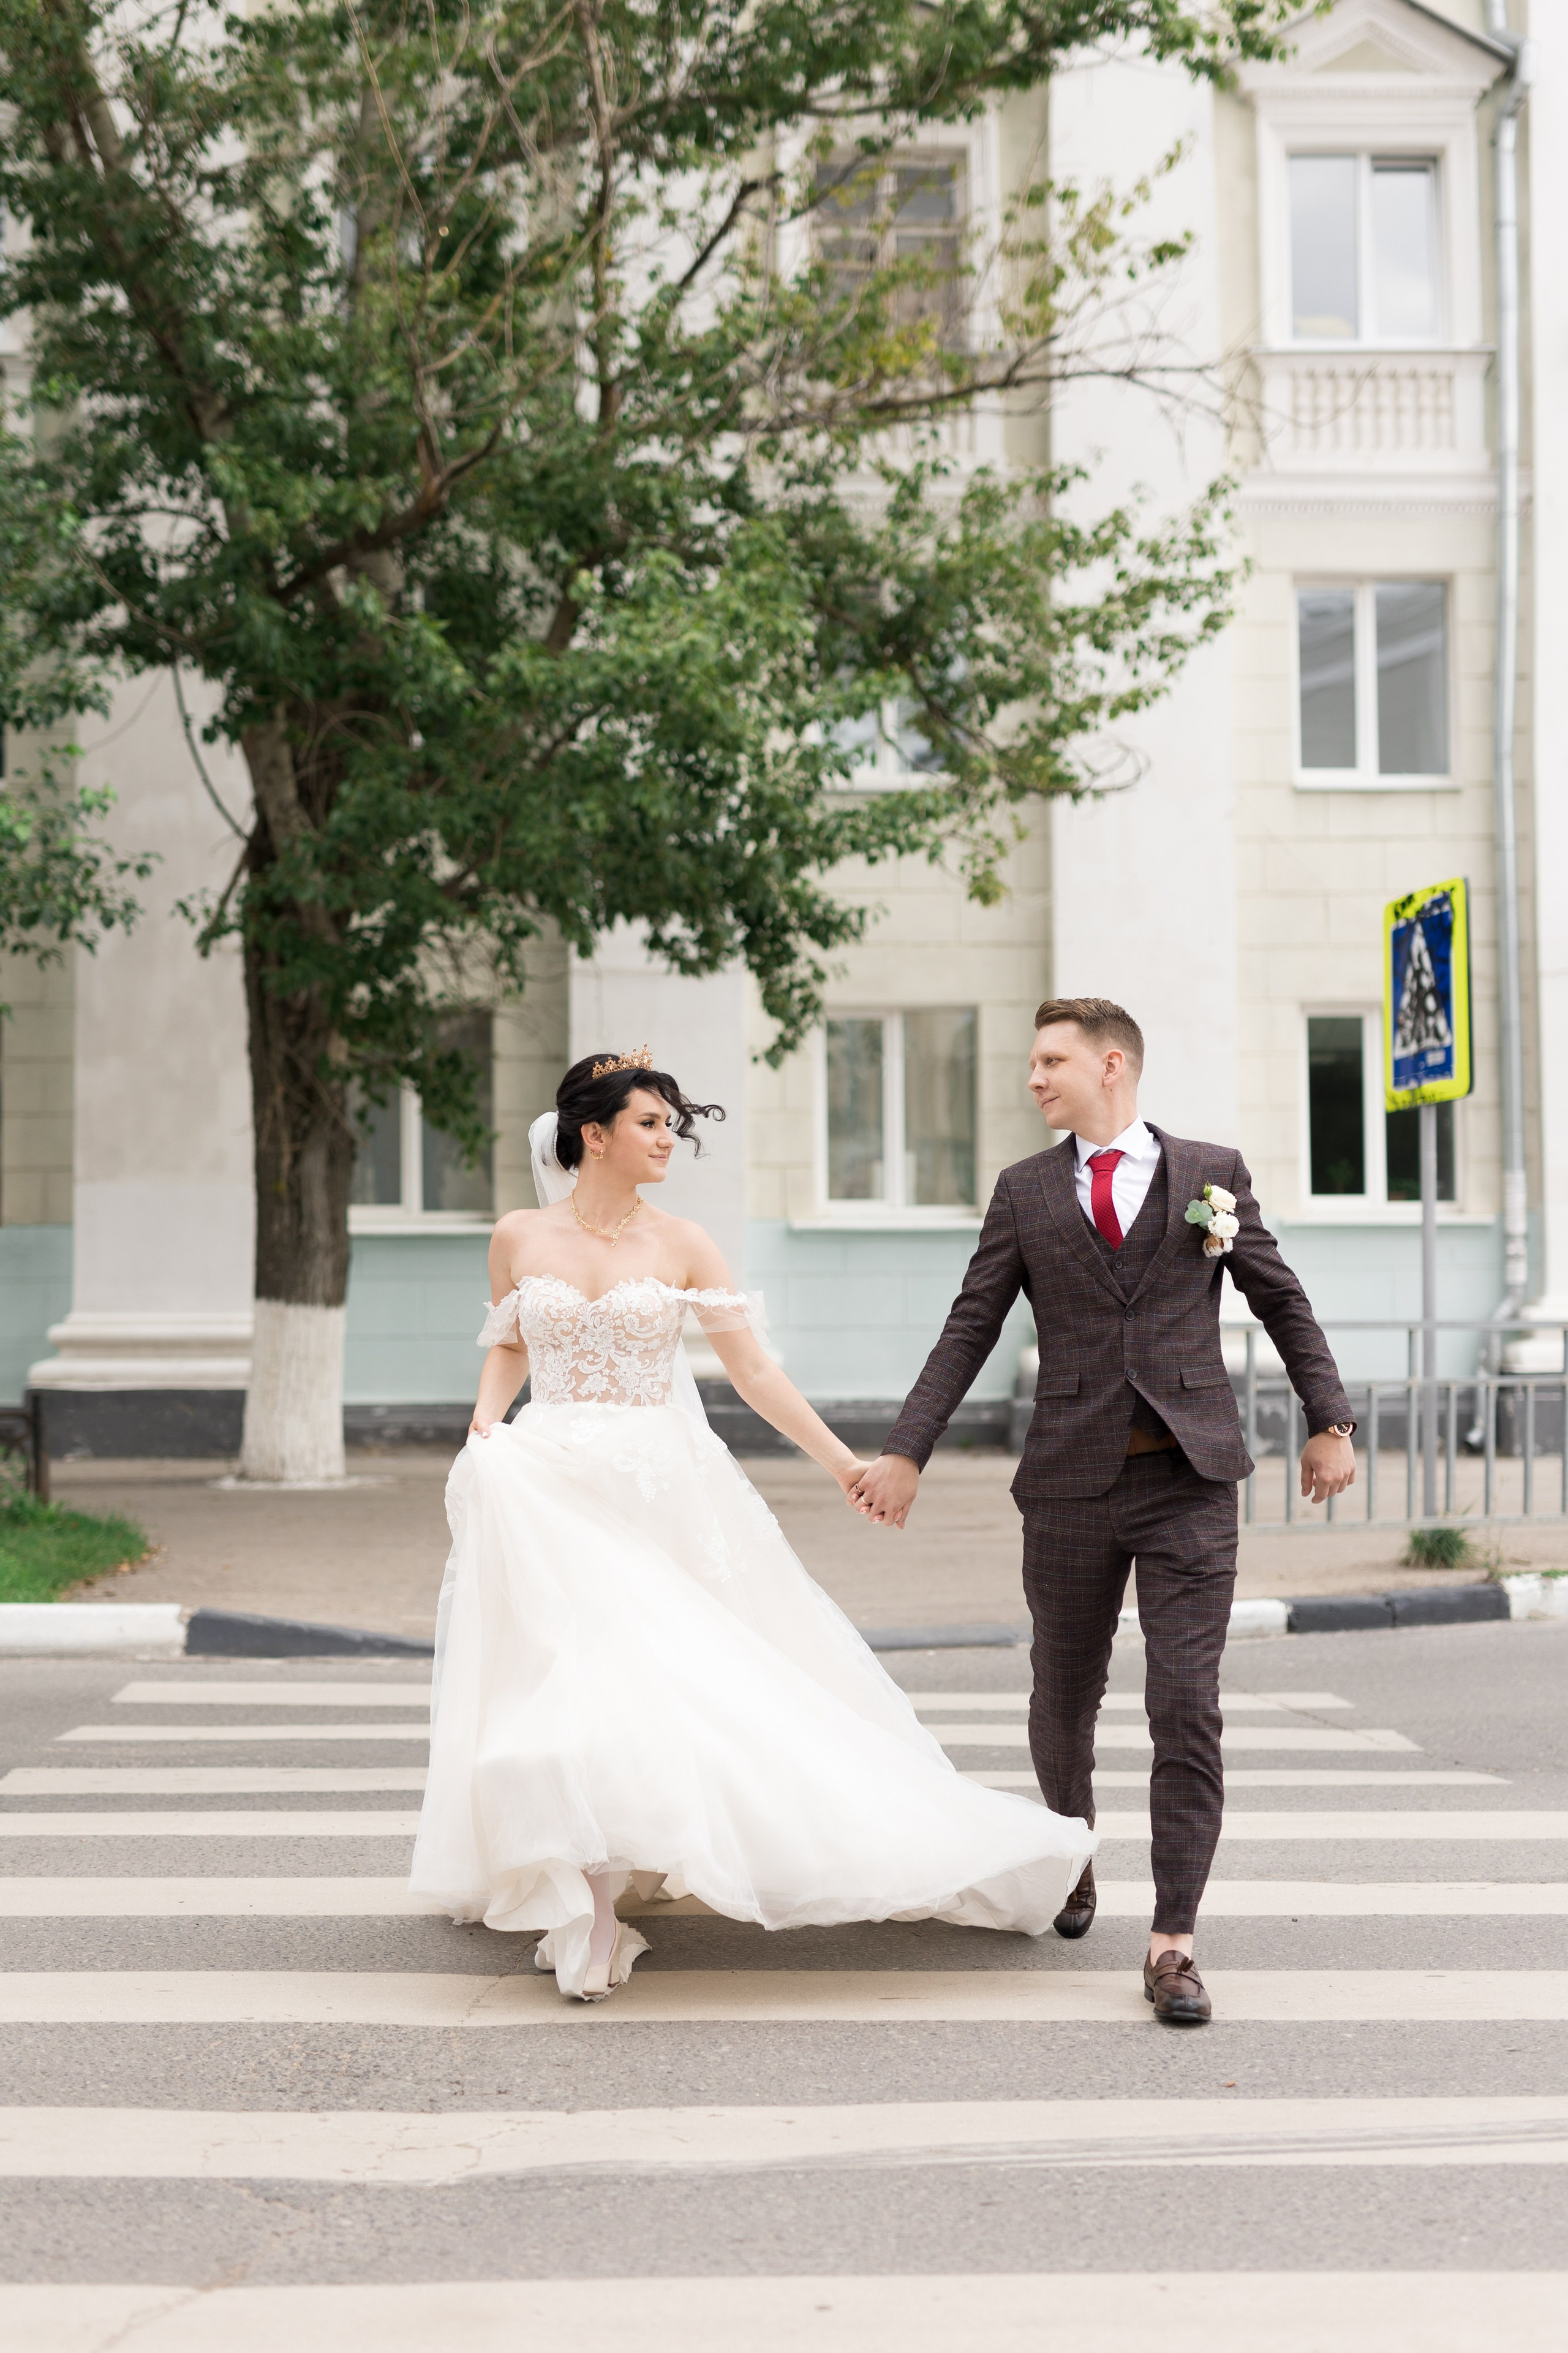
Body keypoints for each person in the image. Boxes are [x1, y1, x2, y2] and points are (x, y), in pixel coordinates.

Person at [410, 1046, 1095, 2000]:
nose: (667, 1139)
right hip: (552, 1481)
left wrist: (847, 1462)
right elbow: (512, 1343)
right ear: (593, 1134)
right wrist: (485, 1427)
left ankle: (632, 1876)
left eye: (670, 1124)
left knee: (664, 1683)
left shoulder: (684, 1242)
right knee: (570, 1686)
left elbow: (755, 1374)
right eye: (649, 1123)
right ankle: (595, 1908)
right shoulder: (519, 1235)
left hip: (657, 1486)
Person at [850, 999, 1356, 2025]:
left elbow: (1281, 1299)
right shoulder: (1027, 1191)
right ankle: (1069, 1851)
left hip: (1190, 1480)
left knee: (1186, 1703)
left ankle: (1174, 1941)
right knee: (1063, 1699)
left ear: (1110, 1064)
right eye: (1032, 1062)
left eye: (1051, 1060)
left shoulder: (1211, 1171)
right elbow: (970, 1325)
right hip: (1071, 1483)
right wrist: (906, 1448)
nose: (1034, 1079)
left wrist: (1330, 1420)